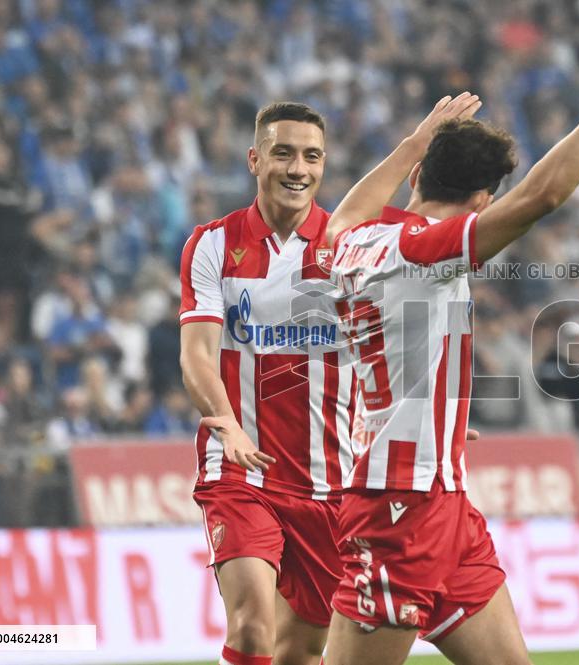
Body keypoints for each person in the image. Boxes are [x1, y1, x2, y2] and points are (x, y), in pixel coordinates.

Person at [322, 60, 579, 665]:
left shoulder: (351, 239)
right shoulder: (424, 251)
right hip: (397, 505)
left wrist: (414, 141)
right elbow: (546, 194)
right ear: (484, 201)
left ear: (415, 180)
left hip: (444, 499)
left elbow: (351, 209)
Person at [179, 97, 480, 665]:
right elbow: (196, 353)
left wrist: (438, 414)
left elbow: (400, 342)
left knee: (301, 650)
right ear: (254, 159)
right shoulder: (214, 245)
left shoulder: (349, 244)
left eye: (312, 157)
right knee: (250, 630)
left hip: (333, 484)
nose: (298, 168)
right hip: (242, 473)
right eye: (283, 153)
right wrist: (227, 428)